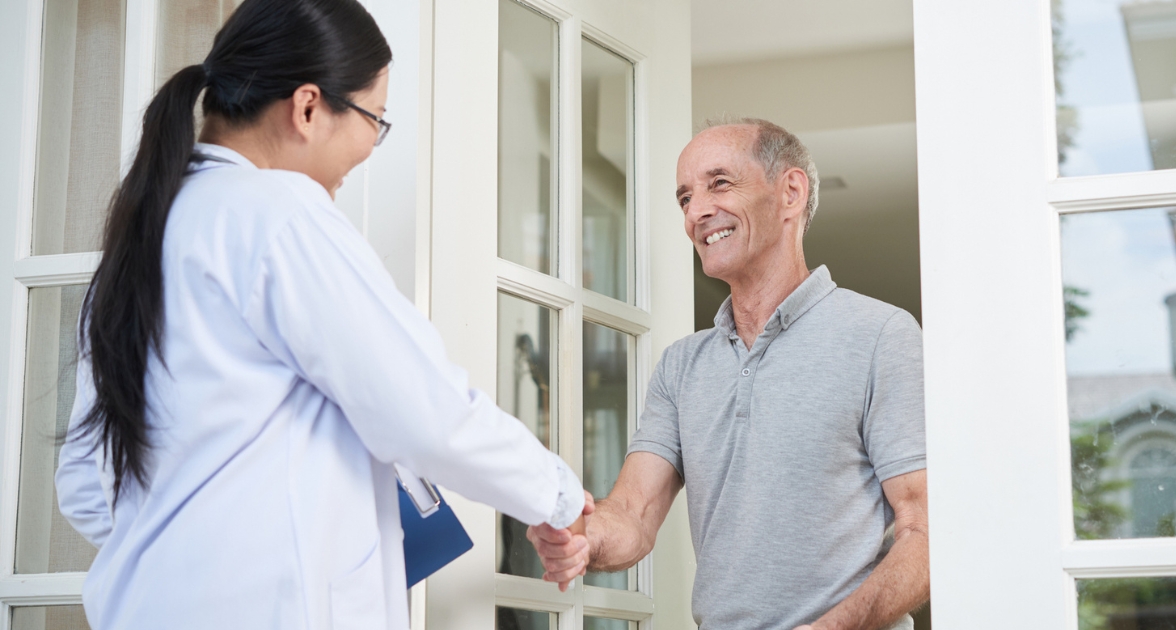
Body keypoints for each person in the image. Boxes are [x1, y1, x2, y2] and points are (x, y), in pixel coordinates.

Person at [54, 1, 588, 628]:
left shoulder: (144, 238)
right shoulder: (281, 215)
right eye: (374, 119)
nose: (371, 144)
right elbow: (427, 412)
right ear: (307, 107)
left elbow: (86, 484)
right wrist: (560, 497)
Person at [528, 119, 929, 630]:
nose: (697, 211)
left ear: (790, 192)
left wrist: (833, 628)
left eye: (719, 183)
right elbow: (633, 511)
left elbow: (925, 530)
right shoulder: (681, 365)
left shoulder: (881, 336)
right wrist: (583, 538)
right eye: (684, 198)